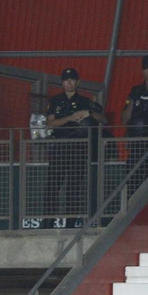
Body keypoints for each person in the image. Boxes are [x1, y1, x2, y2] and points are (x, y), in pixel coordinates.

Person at [44, 68, 104, 227]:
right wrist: (70, 118)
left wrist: (89, 113)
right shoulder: (56, 100)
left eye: (72, 79)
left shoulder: (84, 101)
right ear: (62, 82)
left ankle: (70, 223)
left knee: (74, 187)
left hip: (77, 149)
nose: (69, 83)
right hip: (59, 147)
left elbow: (102, 118)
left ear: (78, 82)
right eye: (66, 80)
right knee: (52, 186)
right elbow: (50, 123)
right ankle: (48, 221)